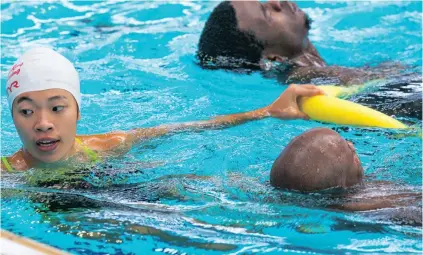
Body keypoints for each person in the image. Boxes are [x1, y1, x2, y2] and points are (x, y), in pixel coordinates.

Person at [1, 47, 324, 173]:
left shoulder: (107, 146)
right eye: (26, 112)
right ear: (13, 119)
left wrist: (267, 111)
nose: (43, 123)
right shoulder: (7, 175)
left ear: (78, 112)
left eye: (57, 107)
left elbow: (194, 127)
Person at [197, 1, 411, 86]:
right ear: (274, 58)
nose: (276, 2)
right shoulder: (303, 76)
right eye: (268, 14)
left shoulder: (313, 68)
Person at [270, 128, 421, 215]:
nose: (351, 144)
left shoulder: (279, 200)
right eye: (349, 149)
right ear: (345, 183)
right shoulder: (387, 204)